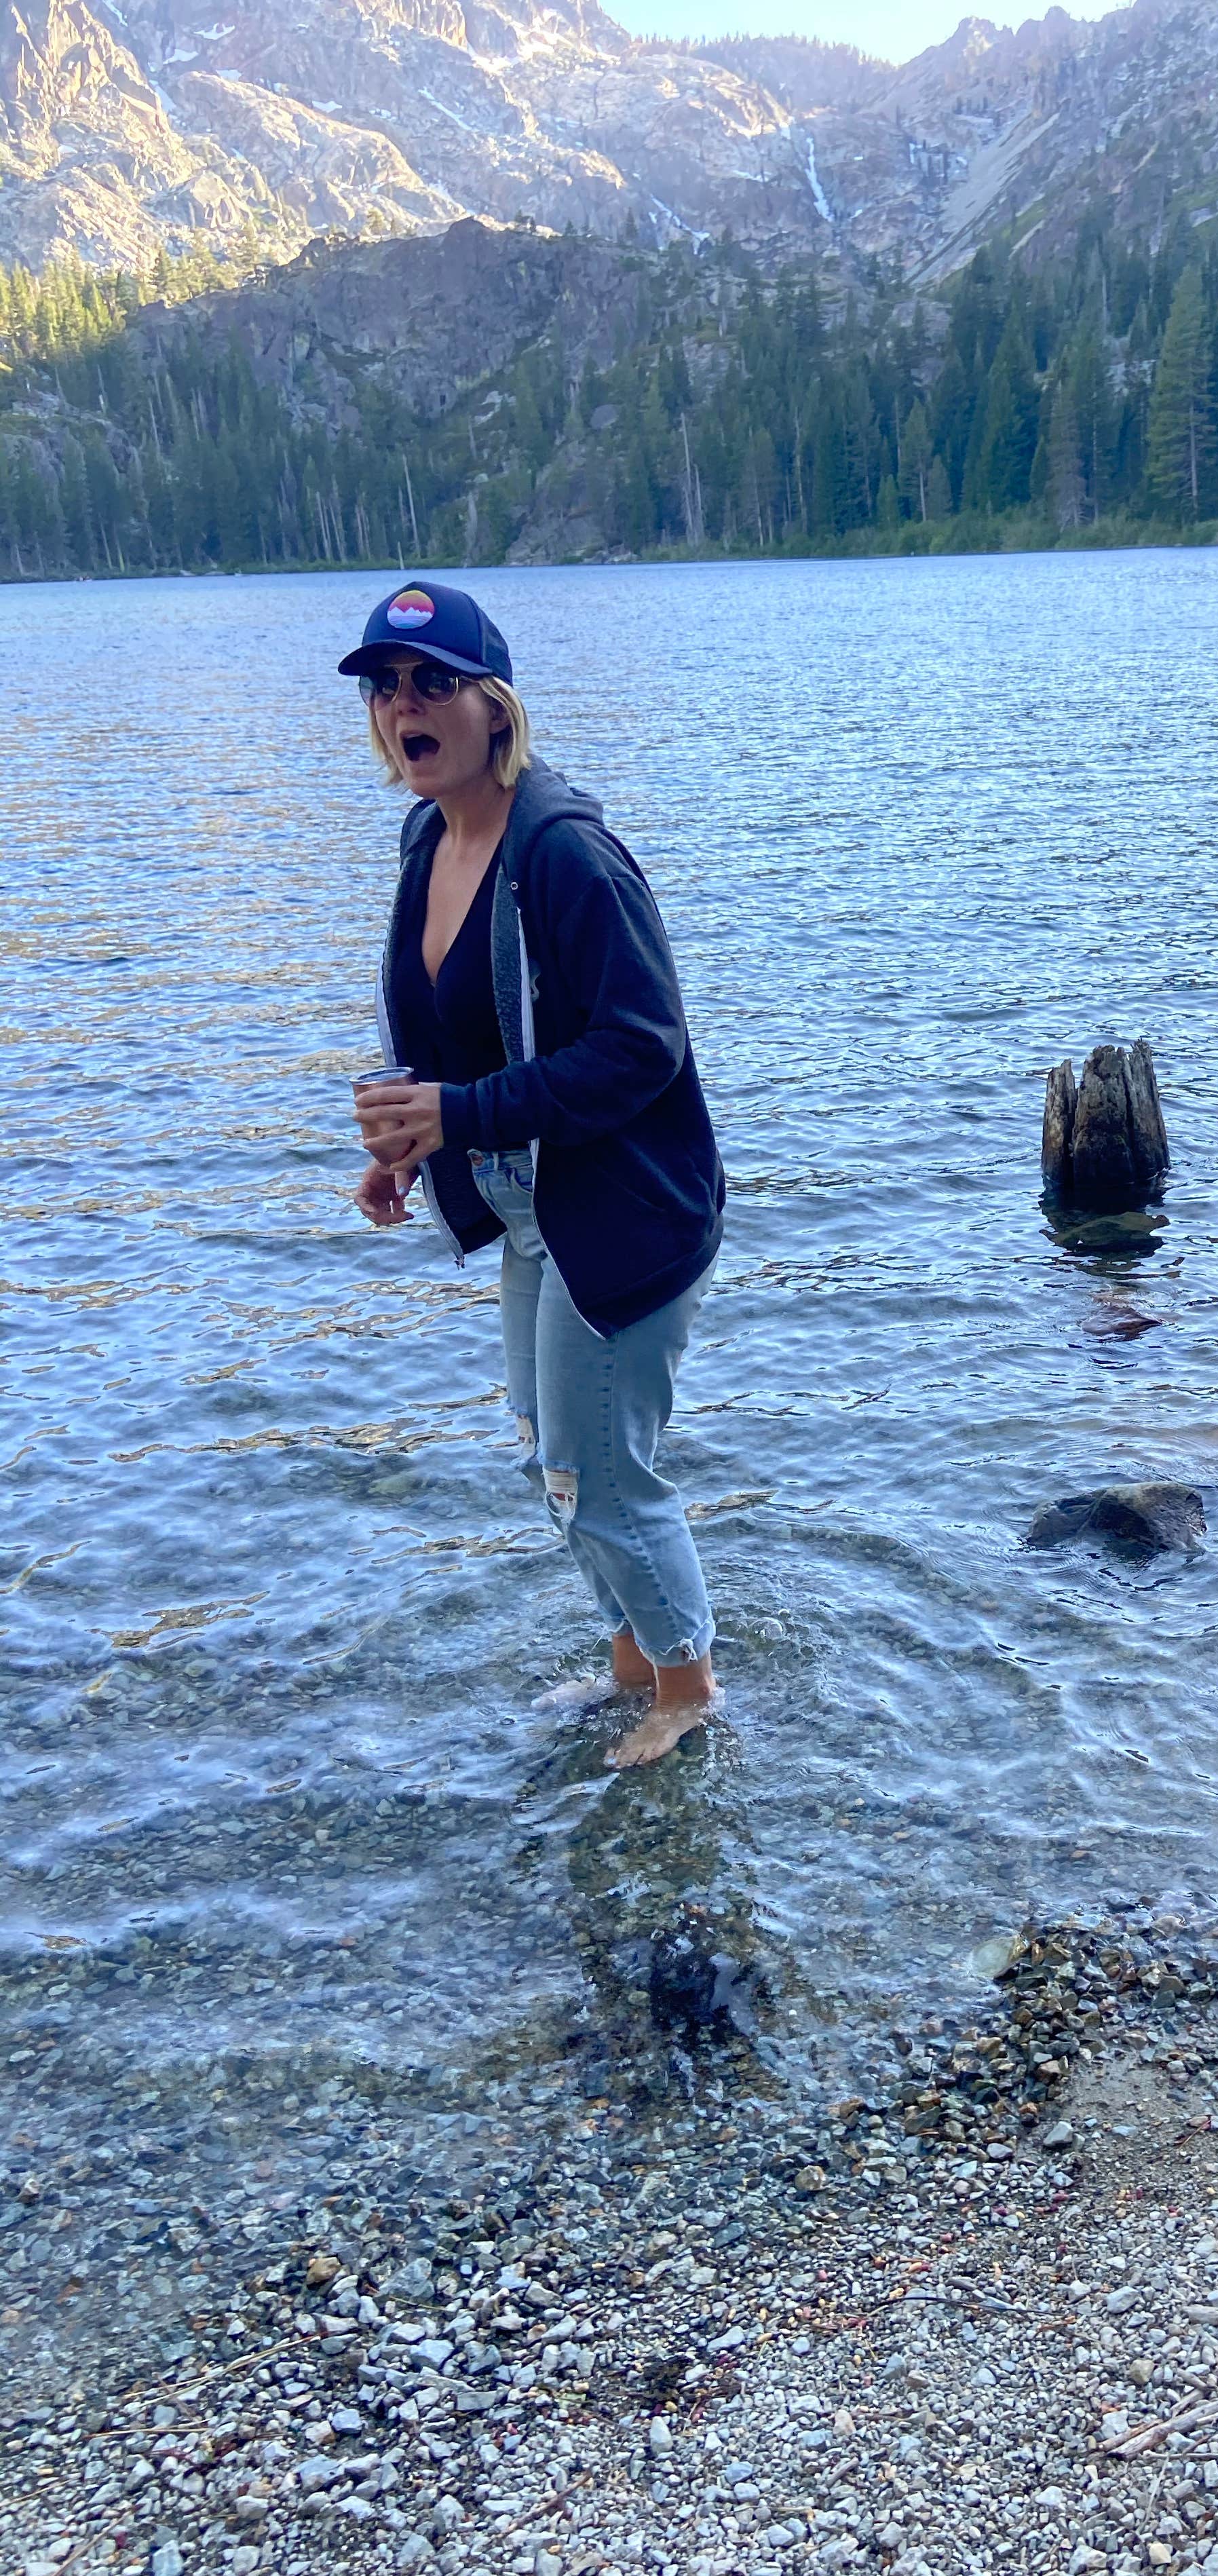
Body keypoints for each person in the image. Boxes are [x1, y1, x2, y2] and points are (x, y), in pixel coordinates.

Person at [341, 579, 726, 1766]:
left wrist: (459, 1114)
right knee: (544, 1457)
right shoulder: (428, 837)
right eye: (389, 686)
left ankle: (691, 1689)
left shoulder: (564, 855)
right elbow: (447, 1034)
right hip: (524, 1204)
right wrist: (406, 1145)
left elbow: (641, 1047)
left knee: (601, 1472)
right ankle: (630, 1666)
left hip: (621, 1209)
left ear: (495, 709)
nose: (409, 705)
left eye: (436, 683)